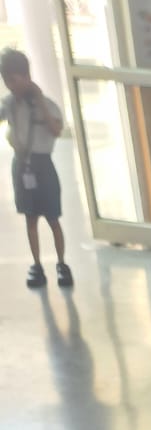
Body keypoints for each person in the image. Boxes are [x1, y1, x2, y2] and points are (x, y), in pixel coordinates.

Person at [0, 48, 71, 290]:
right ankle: (37, 265)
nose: (10, 85)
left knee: (52, 217)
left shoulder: (47, 104)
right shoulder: (9, 104)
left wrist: (39, 100)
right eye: (6, 80)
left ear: (27, 77)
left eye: (14, 80)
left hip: (43, 165)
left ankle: (61, 263)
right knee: (30, 218)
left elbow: (56, 130)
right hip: (21, 165)